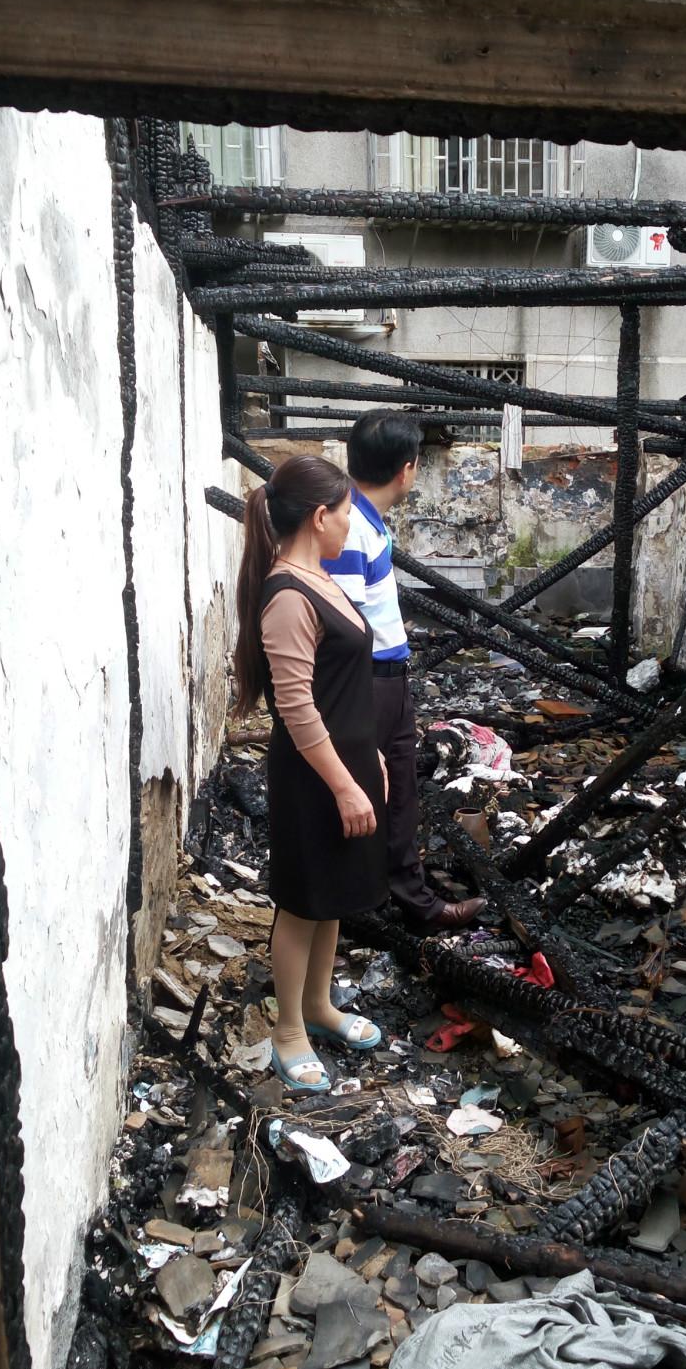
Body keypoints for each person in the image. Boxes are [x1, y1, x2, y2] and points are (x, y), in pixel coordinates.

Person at [232, 454, 389, 1092]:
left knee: (332, 897)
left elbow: (343, 686)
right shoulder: (288, 595)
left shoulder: (320, 579)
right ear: (320, 517)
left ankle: (320, 1007)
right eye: (347, 512)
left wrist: (370, 758)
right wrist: (344, 783)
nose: (351, 524)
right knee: (302, 902)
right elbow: (296, 707)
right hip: (312, 774)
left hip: (346, 762)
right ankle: (288, 1030)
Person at [323, 410, 485, 931]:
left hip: (386, 678)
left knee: (398, 791)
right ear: (407, 469)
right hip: (366, 680)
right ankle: (362, 903)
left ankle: (404, 897)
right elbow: (342, 626)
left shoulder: (364, 519)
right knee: (370, 789)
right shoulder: (350, 528)